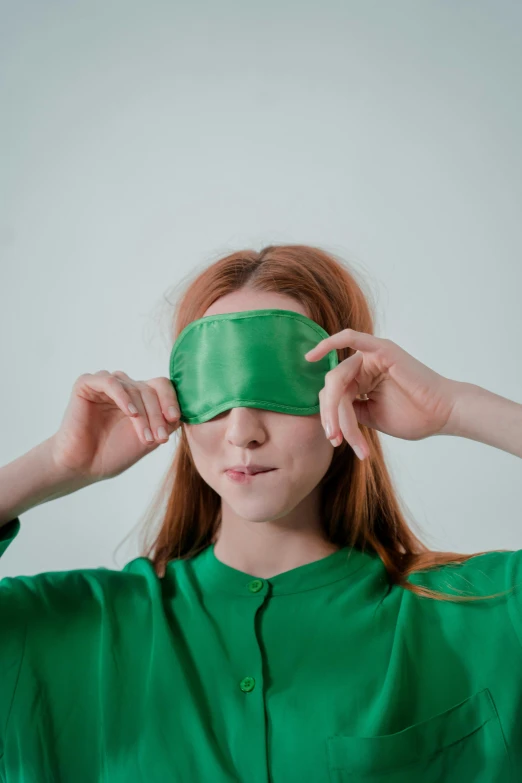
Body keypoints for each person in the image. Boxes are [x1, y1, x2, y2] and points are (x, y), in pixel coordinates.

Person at [1, 243, 521, 783]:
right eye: (215, 388)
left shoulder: (483, 616)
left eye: (280, 384)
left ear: (351, 387)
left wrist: (456, 407)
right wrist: (56, 464)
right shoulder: (63, 631)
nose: (242, 431)